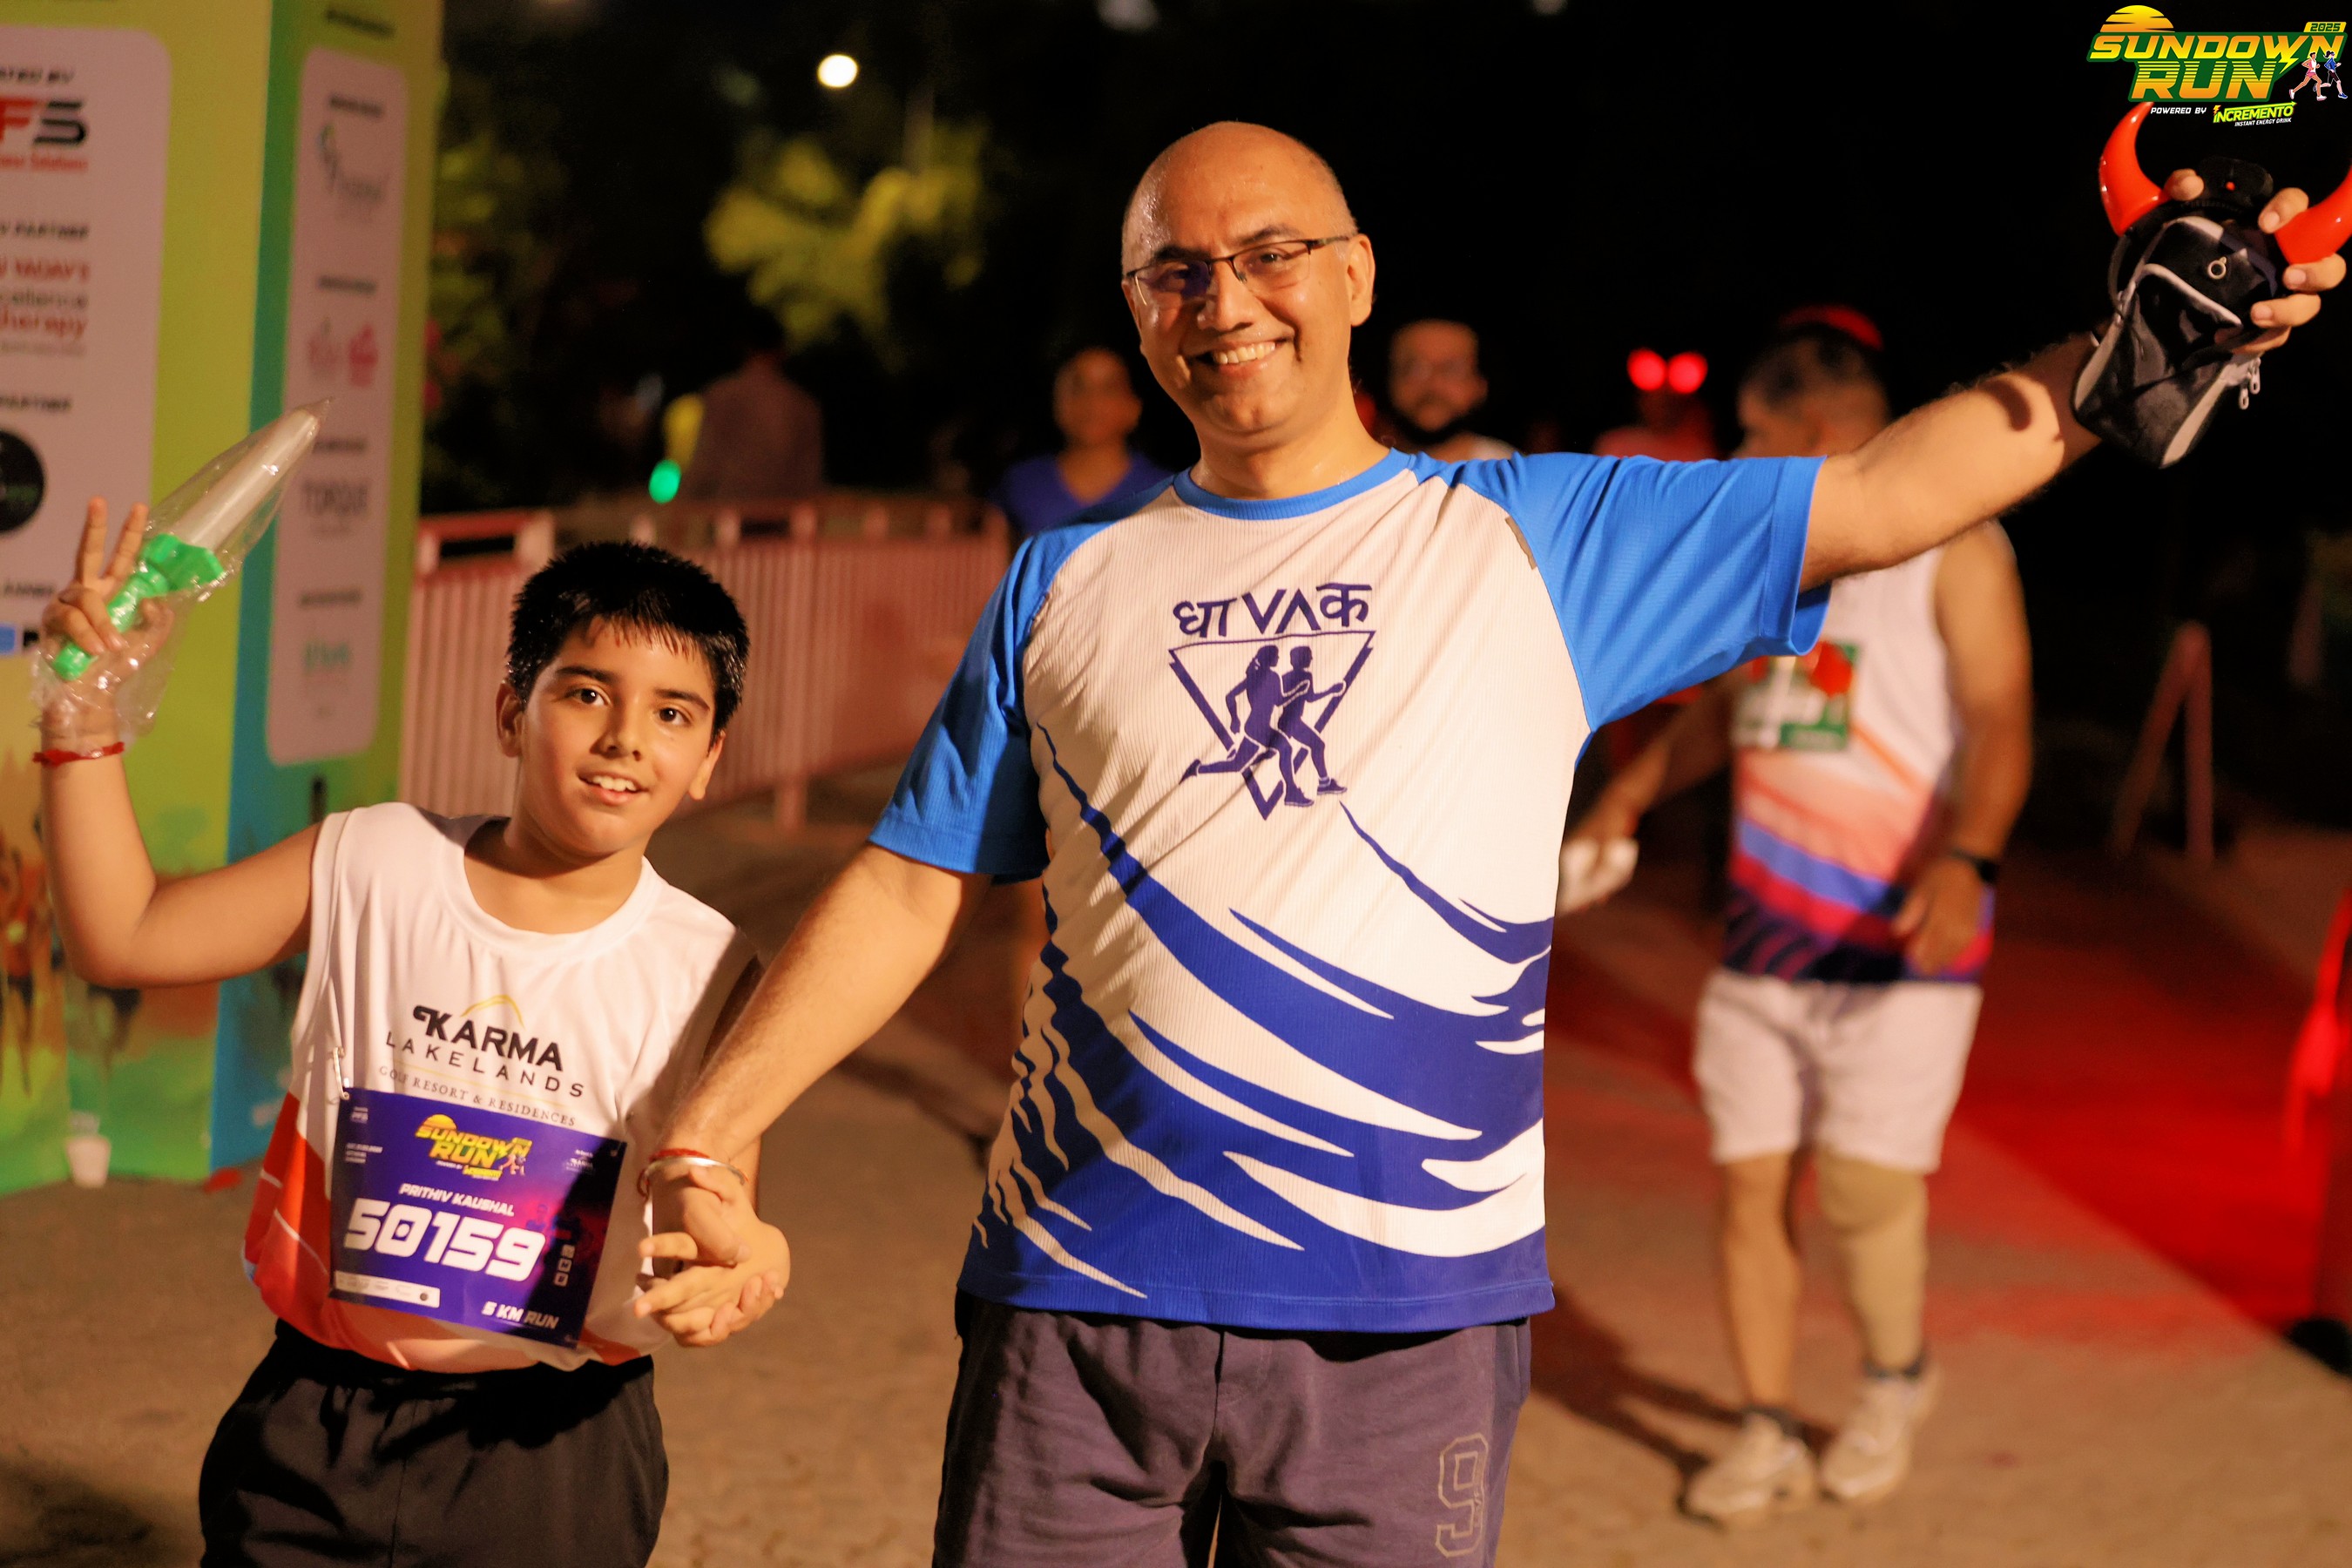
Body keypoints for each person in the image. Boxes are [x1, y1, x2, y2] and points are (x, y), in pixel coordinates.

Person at [645, 123, 2338, 1565]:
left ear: (1358, 277)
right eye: (1176, 270)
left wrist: (2126, 352)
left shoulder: (1541, 536)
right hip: (1075, 1301)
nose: (1225, 300)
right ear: (1139, 311)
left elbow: (1893, 490)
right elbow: (912, 881)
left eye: (1271, 254)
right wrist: (712, 1141)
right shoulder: (1065, 579)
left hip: (1411, 1319)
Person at [38, 518, 787, 1567]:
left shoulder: (713, 969)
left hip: (555, 1458)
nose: (626, 738)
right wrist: (80, 712)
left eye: (673, 713)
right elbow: (122, 937)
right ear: (510, 713)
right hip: (317, 1423)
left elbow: (713, 1195)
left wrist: (737, 1259)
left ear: (708, 758)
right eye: (586, 693)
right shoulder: (374, 861)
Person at [1564, 315, 2032, 1524]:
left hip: (1906, 939)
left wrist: (1970, 859)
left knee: (1869, 1195)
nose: (1739, 457)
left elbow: (2001, 719)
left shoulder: (1957, 547)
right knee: (1748, 1188)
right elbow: (1730, 709)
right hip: (1764, 946)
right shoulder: (1784, 554)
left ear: (1816, 428)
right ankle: (1765, 1425)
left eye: (1754, 433)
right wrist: (1625, 793)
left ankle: (1895, 1379)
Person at [991, 347, 1173, 537]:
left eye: (1108, 389)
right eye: (1078, 387)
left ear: (1134, 406)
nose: (1092, 401)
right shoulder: (1019, 486)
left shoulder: (1165, 494)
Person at [678, 310, 824, 501]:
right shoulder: (802, 404)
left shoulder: (723, 395)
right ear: (782, 349)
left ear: (744, 347)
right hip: (781, 510)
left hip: (729, 506)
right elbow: (809, 475)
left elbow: (707, 459)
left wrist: (683, 502)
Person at [1387, 318, 1515, 460]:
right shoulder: (1372, 467)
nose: (1434, 384)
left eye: (1453, 370)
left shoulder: (1505, 468)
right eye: (1415, 369)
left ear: (1480, 385)